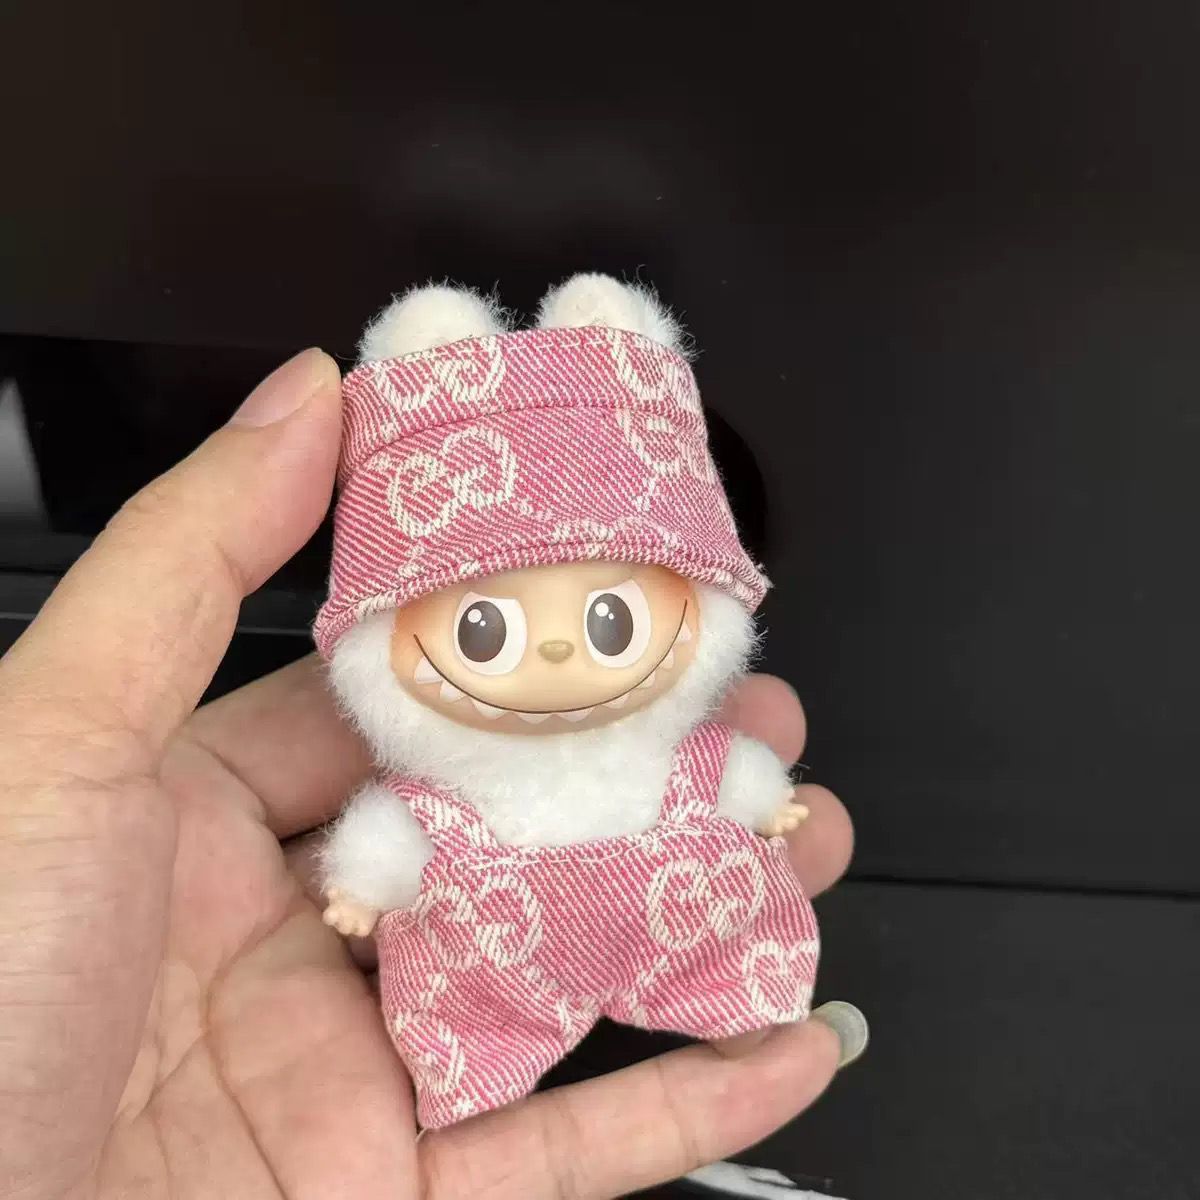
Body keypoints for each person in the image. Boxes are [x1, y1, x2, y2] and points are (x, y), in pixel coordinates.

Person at [0, 349, 864, 1200]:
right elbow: (396, 834)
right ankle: (487, 1059)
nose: (557, 655)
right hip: (495, 979)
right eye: (483, 633)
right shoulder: (446, 794)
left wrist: (766, 803)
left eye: (611, 620)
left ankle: (729, 992)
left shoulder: (669, 753)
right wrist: (362, 891)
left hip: (678, 924)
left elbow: (723, 773)